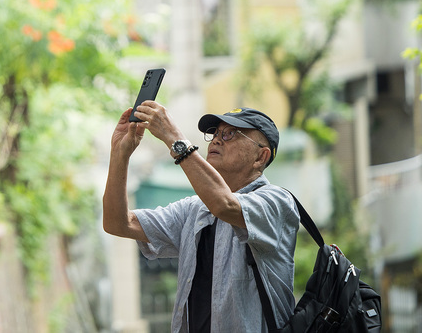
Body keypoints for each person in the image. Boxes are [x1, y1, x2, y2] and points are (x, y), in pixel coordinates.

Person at [102, 103, 299, 333]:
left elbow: (225, 205)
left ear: (260, 156)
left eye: (230, 134)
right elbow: (118, 223)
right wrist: (120, 153)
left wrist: (174, 138)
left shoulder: (277, 202)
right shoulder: (195, 209)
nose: (217, 140)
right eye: (215, 134)